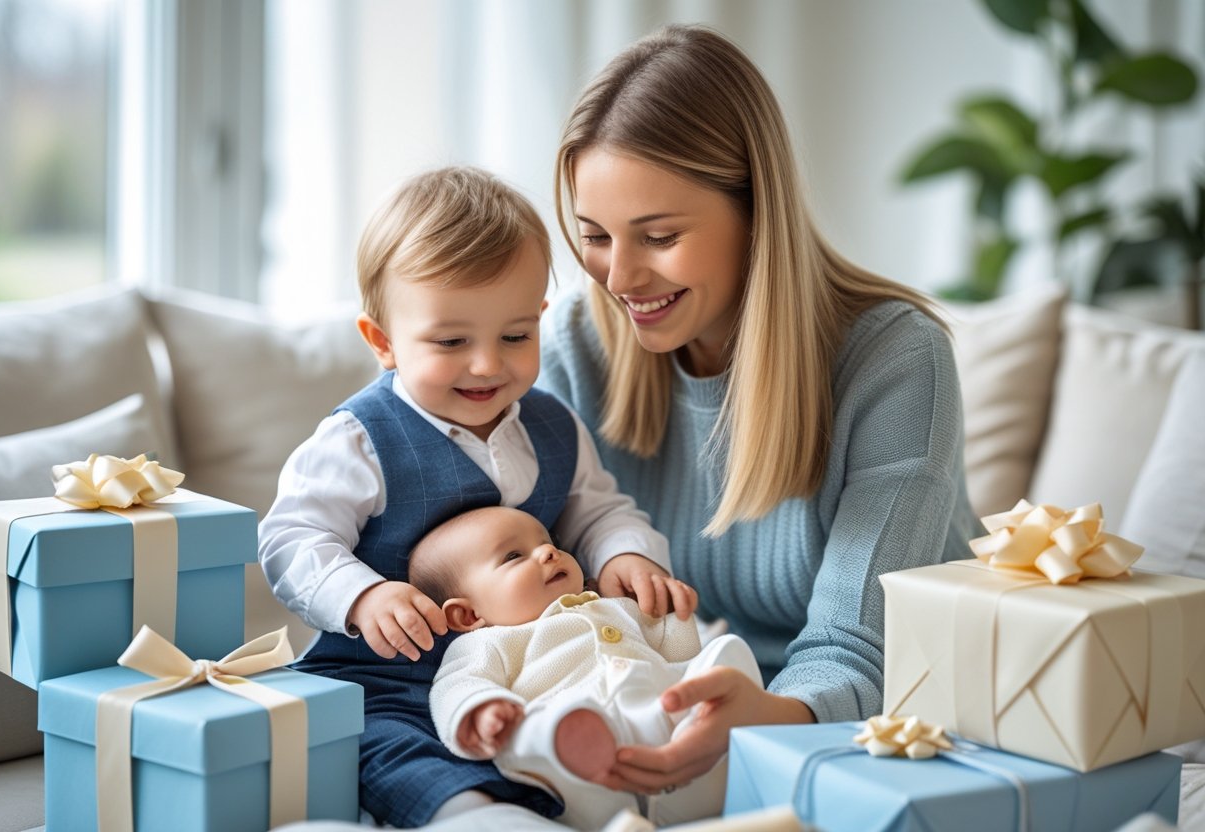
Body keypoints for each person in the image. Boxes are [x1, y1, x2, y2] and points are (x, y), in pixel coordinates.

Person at [538, 24, 983, 797]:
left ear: (757, 212)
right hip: (675, 718)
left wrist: (763, 718)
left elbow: (857, 646)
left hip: (867, 733)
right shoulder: (577, 347)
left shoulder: (898, 361)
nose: (621, 276)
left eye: (660, 236)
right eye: (595, 237)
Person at [258, 166, 682, 828]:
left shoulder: (551, 426)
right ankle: (469, 813)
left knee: (594, 720)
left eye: (515, 336)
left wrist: (625, 554)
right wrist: (363, 594)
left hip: (523, 669)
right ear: (384, 342)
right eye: (452, 342)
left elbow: (597, 510)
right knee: (388, 750)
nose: (488, 364)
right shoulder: (358, 442)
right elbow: (291, 539)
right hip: (385, 686)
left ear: (540, 318)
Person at [410, 505, 761, 831]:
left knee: (725, 652)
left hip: (669, 730)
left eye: (549, 542)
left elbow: (676, 654)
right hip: (577, 764)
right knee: (526, 733)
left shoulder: (616, 608)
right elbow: (454, 685)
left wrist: (674, 612)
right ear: (469, 615)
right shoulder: (488, 643)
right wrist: (482, 709)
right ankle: (572, 748)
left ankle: (713, 775)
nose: (548, 552)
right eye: (514, 556)